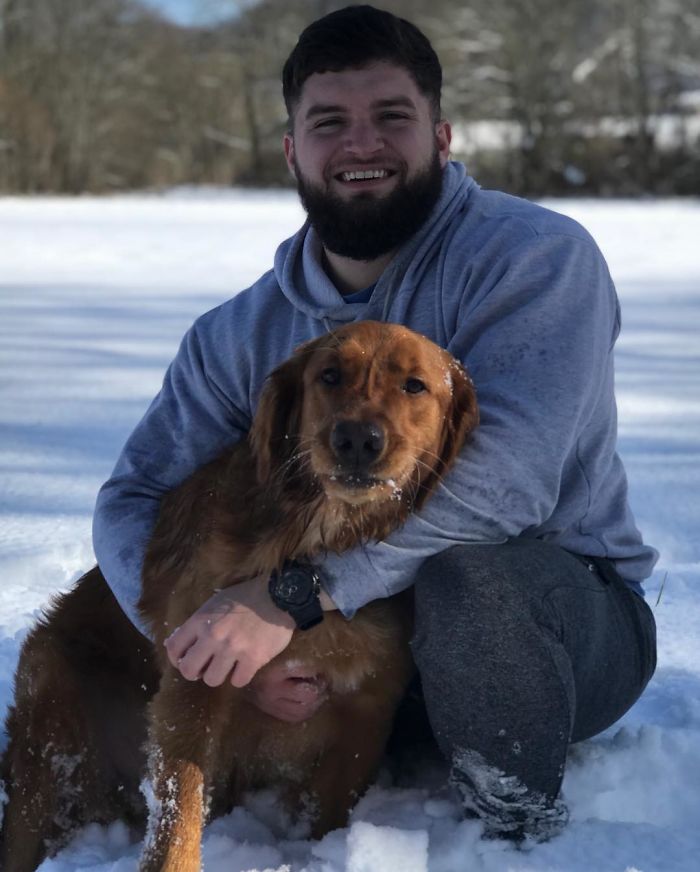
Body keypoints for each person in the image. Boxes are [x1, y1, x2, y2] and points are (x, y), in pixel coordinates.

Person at [93, 4, 657, 843]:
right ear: (293, 150)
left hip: (555, 627)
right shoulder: (238, 335)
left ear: (442, 136)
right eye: (329, 122)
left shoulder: (534, 259)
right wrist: (209, 646)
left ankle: (512, 833)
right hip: (347, 655)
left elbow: (512, 483)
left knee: (471, 582)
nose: (362, 144)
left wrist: (290, 601)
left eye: (392, 116)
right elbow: (135, 497)